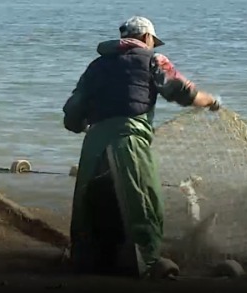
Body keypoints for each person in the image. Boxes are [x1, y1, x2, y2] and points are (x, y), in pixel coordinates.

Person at [62, 16, 221, 278]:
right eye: (152, 42)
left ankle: (87, 259)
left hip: (94, 147)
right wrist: (211, 101)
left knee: (92, 205)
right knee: (143, 200)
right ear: (147, 38)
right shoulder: (153, 60)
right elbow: (183, 91)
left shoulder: (96, 66)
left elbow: (72, 111)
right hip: (129, 141)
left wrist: (81, 125)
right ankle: (147, 261)